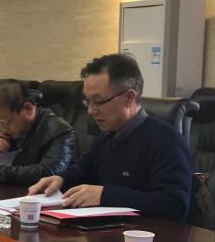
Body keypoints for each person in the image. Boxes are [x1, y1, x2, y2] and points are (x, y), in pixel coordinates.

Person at [28, 53, 192, 220]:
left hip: (148, 234)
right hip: (108, 228)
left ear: (129, 97)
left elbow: (175, 204)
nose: (91, 110)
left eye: (98, 101)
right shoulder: (108, 135)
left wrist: (105, 195)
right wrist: (61, 180)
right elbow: (84, 171)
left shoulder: (166, 140)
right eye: (88, 101)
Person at [0, 80, 77, 185]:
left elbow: (47, 173)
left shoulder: (60, 131)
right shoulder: (6, 127)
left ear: (28, 109)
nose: (2, 129)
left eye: (6, 122)